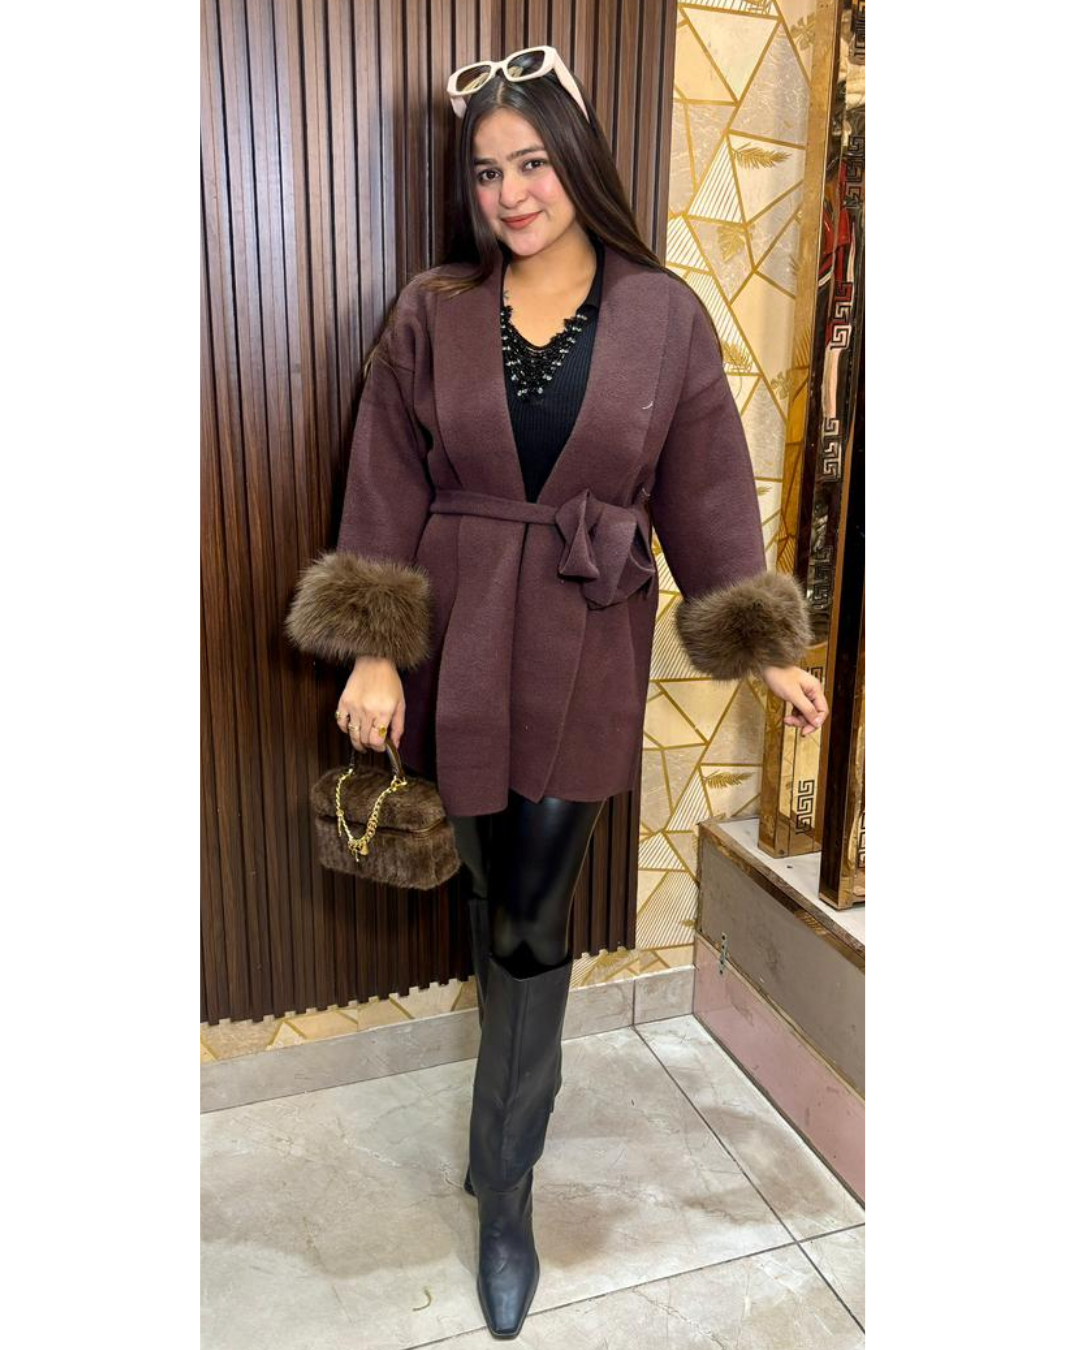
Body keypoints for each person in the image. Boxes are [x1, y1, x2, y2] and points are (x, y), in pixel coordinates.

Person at [285, 45, 827, 1340]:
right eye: (486, 173)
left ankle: (507, 1187)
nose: (511, 194)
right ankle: (508, 1127)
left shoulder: (663, 315)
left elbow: (704, 487)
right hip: (461, 635)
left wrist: (764, 646)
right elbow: (385, 475)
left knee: (532, 918)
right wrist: (373, 649)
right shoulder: (432, 313)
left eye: (531, 162)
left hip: (588, 639)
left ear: (576, 159)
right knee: (490, 896)